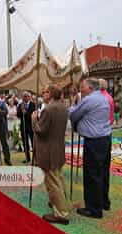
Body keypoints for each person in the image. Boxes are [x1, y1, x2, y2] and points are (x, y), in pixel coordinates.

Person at [69, 78, 111, 219]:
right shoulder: (103, 98)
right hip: (105, 139)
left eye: (83, 86)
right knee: (102, 172)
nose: (81, 89)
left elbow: (74, 114)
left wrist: (72, 105)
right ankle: (103, 201)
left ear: (91, 88)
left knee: (92, 175)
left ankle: (94, 209)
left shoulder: (89, 100)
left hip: (94, 141)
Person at [32, 84, 69, 225]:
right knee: (58, 179)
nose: (42, 93)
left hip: (48, 151)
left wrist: (34, 119)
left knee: (53, 183)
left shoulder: (49, 109)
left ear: (52, 93)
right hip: (58, 148)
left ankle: (61, 213)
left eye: (45, 91)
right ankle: (60, 205)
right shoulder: (63, 107)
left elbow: (40, 131)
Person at [17, 91, 35, 163]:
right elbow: (18, 115)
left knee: (33, 142)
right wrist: (21, 111)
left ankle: (35, 158)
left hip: (31, 126)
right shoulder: (21, 105)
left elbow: (32, 113)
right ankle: (27, 158)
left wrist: (26, 112)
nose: (26, 98)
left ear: (29, 97)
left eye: (27, 96)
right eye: (25, 96)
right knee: (25, 142)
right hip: (23, 126)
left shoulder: (32, 104)